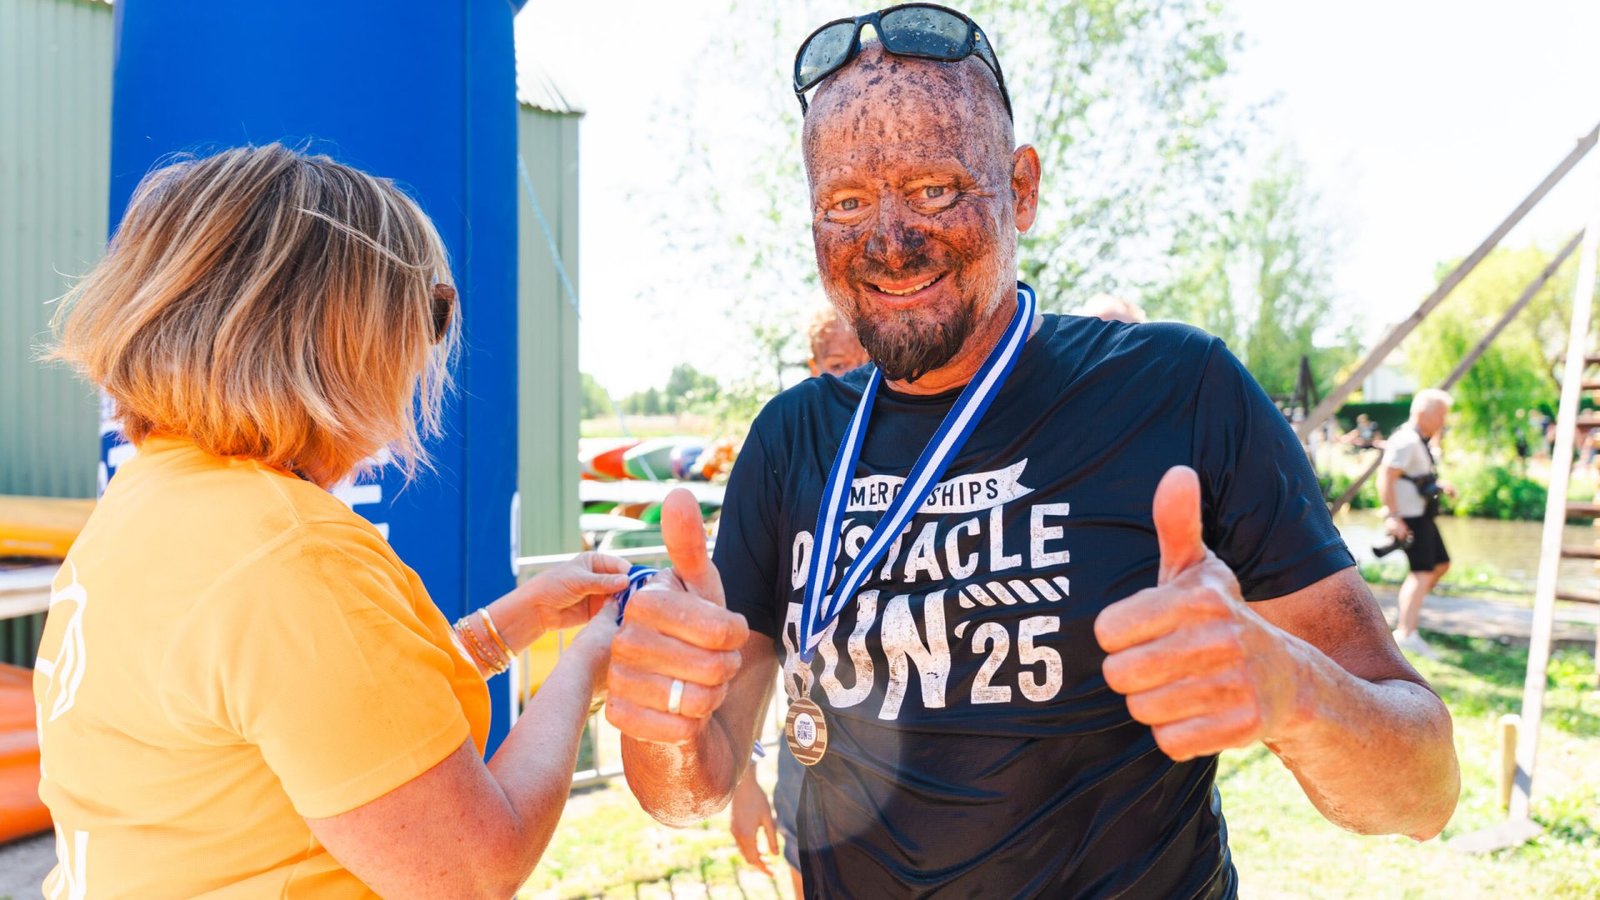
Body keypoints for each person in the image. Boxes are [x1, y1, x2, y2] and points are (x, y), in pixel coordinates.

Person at [603, 6, 1459, 897]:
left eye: (936, 189)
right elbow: (691, 785)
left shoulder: (1176, 388)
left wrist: (1291, 690)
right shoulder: (790, 438)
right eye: (847, 203)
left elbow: (1425, 790)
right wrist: (662, 720)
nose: (890, 243)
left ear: (1022, 190)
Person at [35, 144, 631, 898]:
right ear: (340, 332)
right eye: (427, 312)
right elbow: (472, 871)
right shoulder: (289, 554)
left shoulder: (153, 499)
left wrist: (515, 622)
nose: (426, 347)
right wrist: (586, 665)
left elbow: (316, 712)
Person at [727, 307, 868, 893]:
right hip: (812, 767)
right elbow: (747, 631)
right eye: (839, 366)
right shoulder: (790, 458)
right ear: (814, 368)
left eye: (873, 363)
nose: (860, 380)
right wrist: (741, 783)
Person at [1378, 389, 1456, 659]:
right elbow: (1386, 476)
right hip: (1409, 516)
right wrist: (1393, 516)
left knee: (1440, 565)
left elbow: (1417, 476)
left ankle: (1409, 620)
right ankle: (1406, 633)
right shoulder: (1406, 440)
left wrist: (1440, 486)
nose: (1443, 422)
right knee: (1422, 573)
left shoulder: (1419, 440)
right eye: (1441, 416)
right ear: (1424, 414)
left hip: (1421, 514)